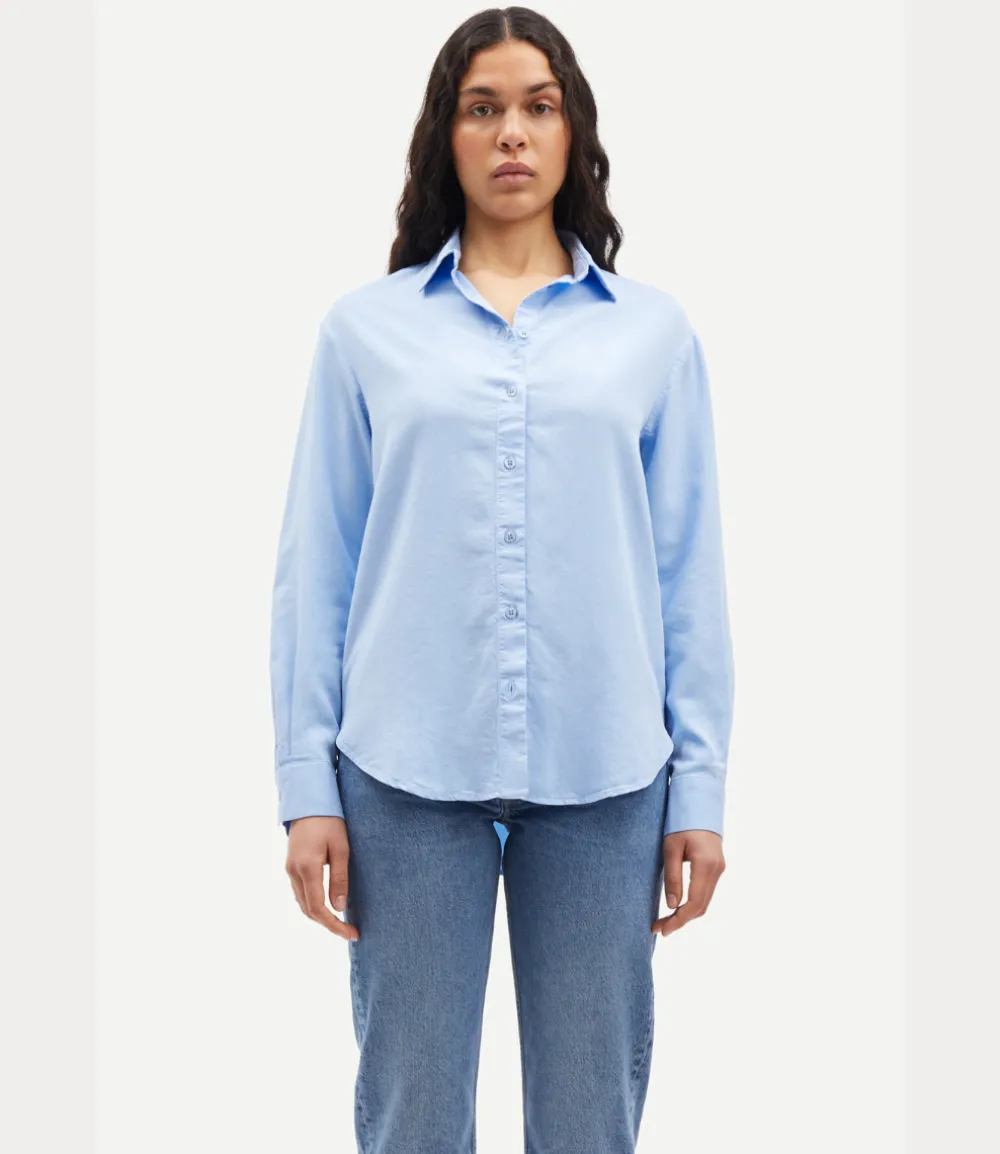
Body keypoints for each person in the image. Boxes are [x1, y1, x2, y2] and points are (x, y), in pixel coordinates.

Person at [269, 7, 735, 1151]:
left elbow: (687, 571)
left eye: (539, 106)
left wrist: (700, 790)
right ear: (447, 135)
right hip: (403, 770)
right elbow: (317, 565)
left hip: (607, 773)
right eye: (483, 108)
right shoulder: (364, 332)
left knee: (587, 1119)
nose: (512, 133)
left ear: (574, 133)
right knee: (413, 1116)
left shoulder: (653, 335)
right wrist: (307, 784)